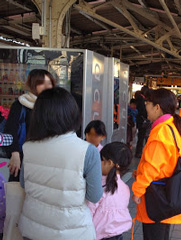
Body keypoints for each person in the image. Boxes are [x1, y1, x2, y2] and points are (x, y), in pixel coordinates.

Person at [18, 87, 103, 240]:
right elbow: (94, 196)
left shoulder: (28, 146)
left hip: (33, 229)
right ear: (72, 114)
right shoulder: (88, 151)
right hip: (72, 232)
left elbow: (24, 184)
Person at [132, 88, 181, 240]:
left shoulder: (161, 132)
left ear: (157, 107)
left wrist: (138, 191)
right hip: (165, 193)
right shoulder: (172, 126)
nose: (145, 106)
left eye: (147, 103)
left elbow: (152, 167)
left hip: (156, 196)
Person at [4, 69, 56, 181]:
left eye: (49, 83)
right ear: (33, 84)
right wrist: (15, 153)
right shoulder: (20, 104)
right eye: (42, 83)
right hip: (23, 158)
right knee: (18, 192)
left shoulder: (55, 106)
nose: (47, 86)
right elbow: (10, 130)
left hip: (48, 158)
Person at [87, 142, 133, 240]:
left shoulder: (99, 186)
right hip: (118, 235)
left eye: (101, 159)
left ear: (109, 163)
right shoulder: (125, 188)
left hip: (98, 236)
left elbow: (88, 214)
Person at [134, 86, 151, 158]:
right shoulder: (141, 100)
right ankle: (141, 152)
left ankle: (139, 152)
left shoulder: (139, 99)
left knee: (141, 137)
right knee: (143, 136)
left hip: (140, 120)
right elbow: (142, 111)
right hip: (143, 121)